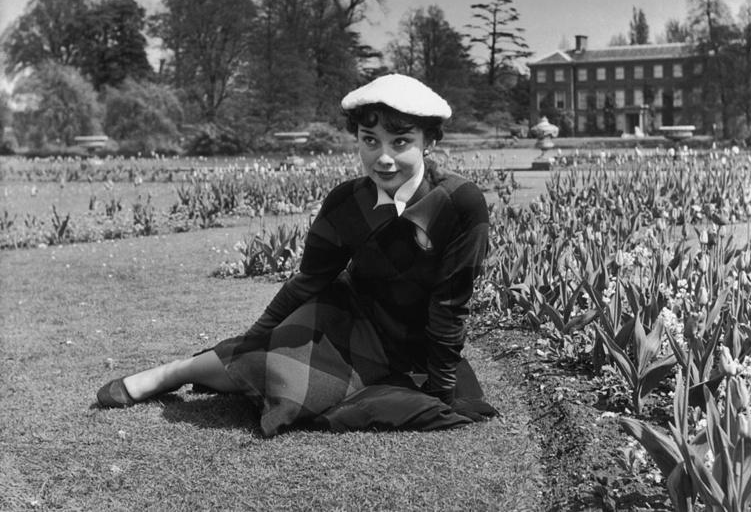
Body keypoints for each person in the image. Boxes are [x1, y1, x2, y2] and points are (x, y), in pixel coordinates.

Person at [97, 74, 497, 436]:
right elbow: (311, 279)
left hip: (419, 339)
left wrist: (442, 388)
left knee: (401, 406)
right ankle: (170, 375)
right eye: (369, 140)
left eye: (401, 142)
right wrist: (254, 340)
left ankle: (224, 366)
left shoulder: (460, 203)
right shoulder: (346, 201)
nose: (384, 157)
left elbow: (449, 303)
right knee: (268, 367)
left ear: (429, 140)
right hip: (349, 319)